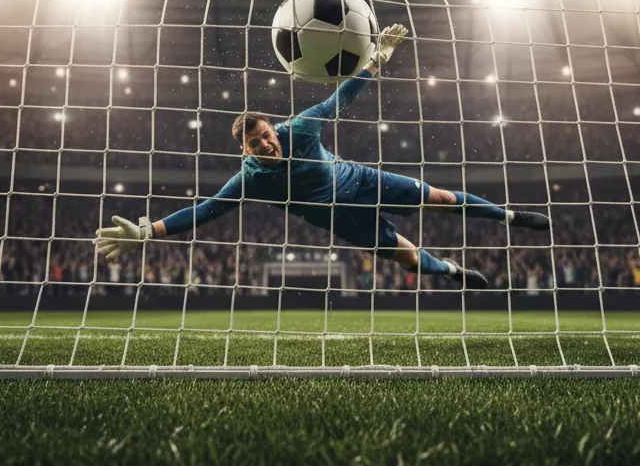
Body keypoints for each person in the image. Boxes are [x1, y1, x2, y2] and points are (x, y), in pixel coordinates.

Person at [94, 24, 550, 289]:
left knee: (443, 199)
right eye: (255, 145)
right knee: (408, 257)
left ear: (274, 129)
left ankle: (510, 216)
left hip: (361, 179)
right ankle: (452, 270)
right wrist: (148, 231)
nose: (266, 145)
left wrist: (378, 60)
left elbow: (342, 97)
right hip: (340, 217)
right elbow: (207, 209)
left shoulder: (302, 126)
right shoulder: (249, 179)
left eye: (267, 136)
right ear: (244, 149)